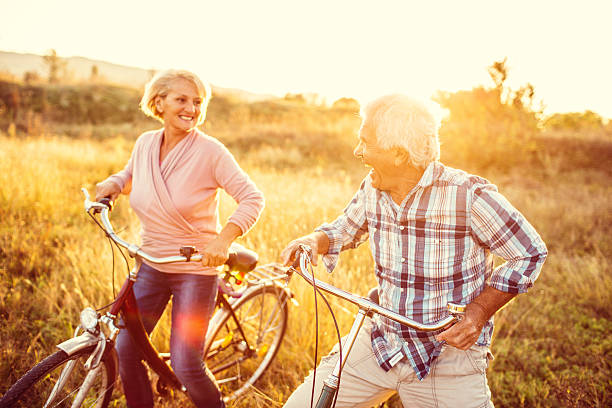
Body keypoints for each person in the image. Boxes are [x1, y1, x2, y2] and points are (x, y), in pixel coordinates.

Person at [281, 94, 547, 407]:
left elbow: (529, 252)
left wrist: (478, 312)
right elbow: (344, 228)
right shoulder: (373, 187)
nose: (357, 151)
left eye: (365, 142)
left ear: (398, 154)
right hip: (381, 343)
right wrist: (315, 240)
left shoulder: (468, 195)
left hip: (447, 357)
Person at [95, 69, 264, 408]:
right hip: (152, 263)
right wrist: (112, 185)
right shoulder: (145, 143)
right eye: (182, 99)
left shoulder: (211, 152)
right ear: (159, 103)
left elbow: (253, 198)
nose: (191, 108)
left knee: (186, 364)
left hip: (195, 269)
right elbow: (132, 175)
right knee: (126, 349)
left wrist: (223, 241)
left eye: (198, 102)